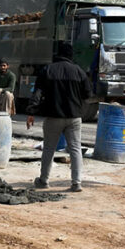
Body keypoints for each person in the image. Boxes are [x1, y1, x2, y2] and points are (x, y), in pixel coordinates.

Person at [26, 42, 91, 192]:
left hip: (53, 116)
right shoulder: (79, 71)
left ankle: (43, 181)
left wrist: (31, 112)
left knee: (49, 149)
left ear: (57, 54)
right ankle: (76, 183)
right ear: (70, 55)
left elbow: (37, 93)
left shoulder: (47, 70)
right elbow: (88, 95)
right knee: (75, 149)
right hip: (74, 117)